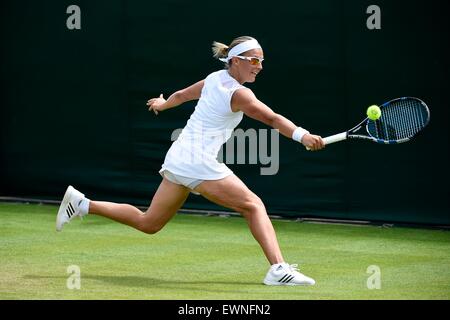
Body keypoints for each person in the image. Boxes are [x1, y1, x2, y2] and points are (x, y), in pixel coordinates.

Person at [56, 36, 325, 286]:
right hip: (196, 161)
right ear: (235, 60)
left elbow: (182, 95)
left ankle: (81, 203)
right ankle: (278, 269)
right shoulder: (239, 93)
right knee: (254, 205)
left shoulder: (213, 78)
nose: (259, 66)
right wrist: (302, 136)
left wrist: (162, 104)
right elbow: (272, 118)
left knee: (149, 223)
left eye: (262, 61)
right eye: (254, 60)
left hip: (179, 157)